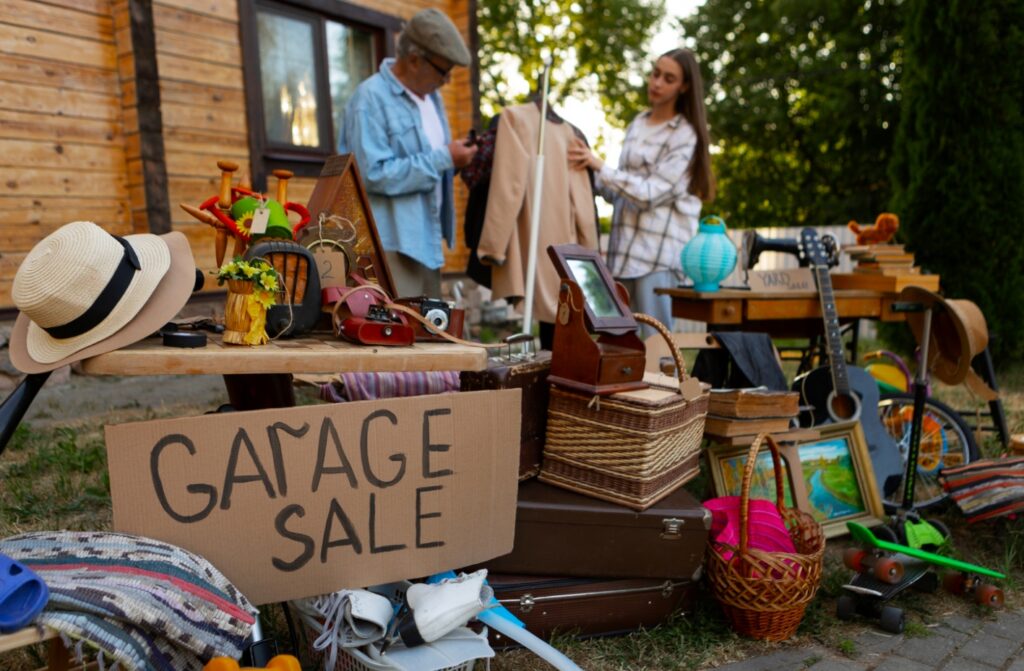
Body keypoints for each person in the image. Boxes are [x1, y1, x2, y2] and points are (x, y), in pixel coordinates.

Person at [567, 48, 715, 333]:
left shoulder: (685, 135)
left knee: (655, 346)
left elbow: (650, 194)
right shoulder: (637, 124)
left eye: (668, 78)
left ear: (684, 87)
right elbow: (619, 191)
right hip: (621, 256)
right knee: (618, 345)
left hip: (656, 260)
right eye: (655, 73)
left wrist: (599, 167)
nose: (657, 83)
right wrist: (585, 173)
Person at [338, 8, 478, 298]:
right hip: (389, 246)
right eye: (444, 71)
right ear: (414, 60)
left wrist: (457, 160)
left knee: (426, 336)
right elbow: (373, 175)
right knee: (396, 336)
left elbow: (427, 165)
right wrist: (444, 159)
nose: (447, 81)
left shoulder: (433, 99)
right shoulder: (370, 99)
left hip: (425, 243)